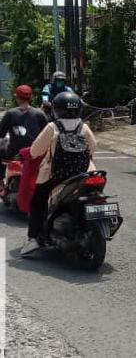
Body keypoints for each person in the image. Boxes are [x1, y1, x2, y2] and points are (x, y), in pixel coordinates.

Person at [21, 91, 97, 256]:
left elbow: (35, 150)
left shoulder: (52, 127)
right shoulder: (84, 126)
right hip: (84, 174)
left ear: (57, 109)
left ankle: (33, 238)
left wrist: (33, 154)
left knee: (38, 201)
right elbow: (93, 147)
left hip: (56, 175)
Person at [0, 85, 49, 186]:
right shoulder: (39, 114)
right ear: (31, 98)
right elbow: (47, 134)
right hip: (34, 154)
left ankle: (1, 183)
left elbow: (1, 134)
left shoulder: (10, 113)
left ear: (17, 98)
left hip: (14, 153)